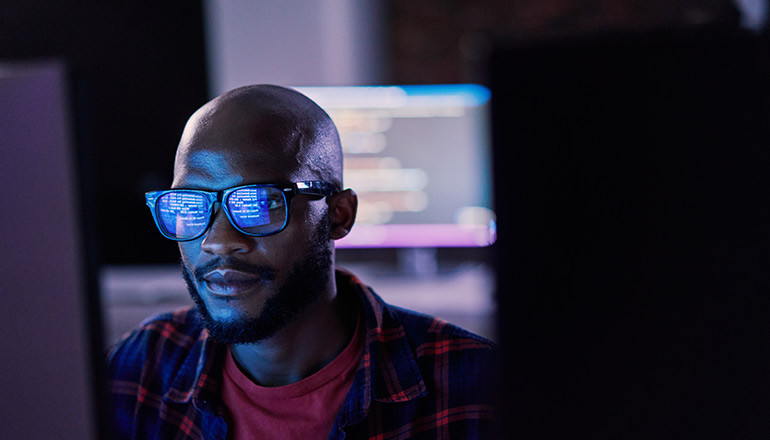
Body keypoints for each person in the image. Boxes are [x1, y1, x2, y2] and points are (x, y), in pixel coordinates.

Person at [106, 85, 496, 439]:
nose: (218, 241)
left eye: (259, 203)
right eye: (190, 205)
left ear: (339, 215)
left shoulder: (475, 387)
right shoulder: (140, 369)